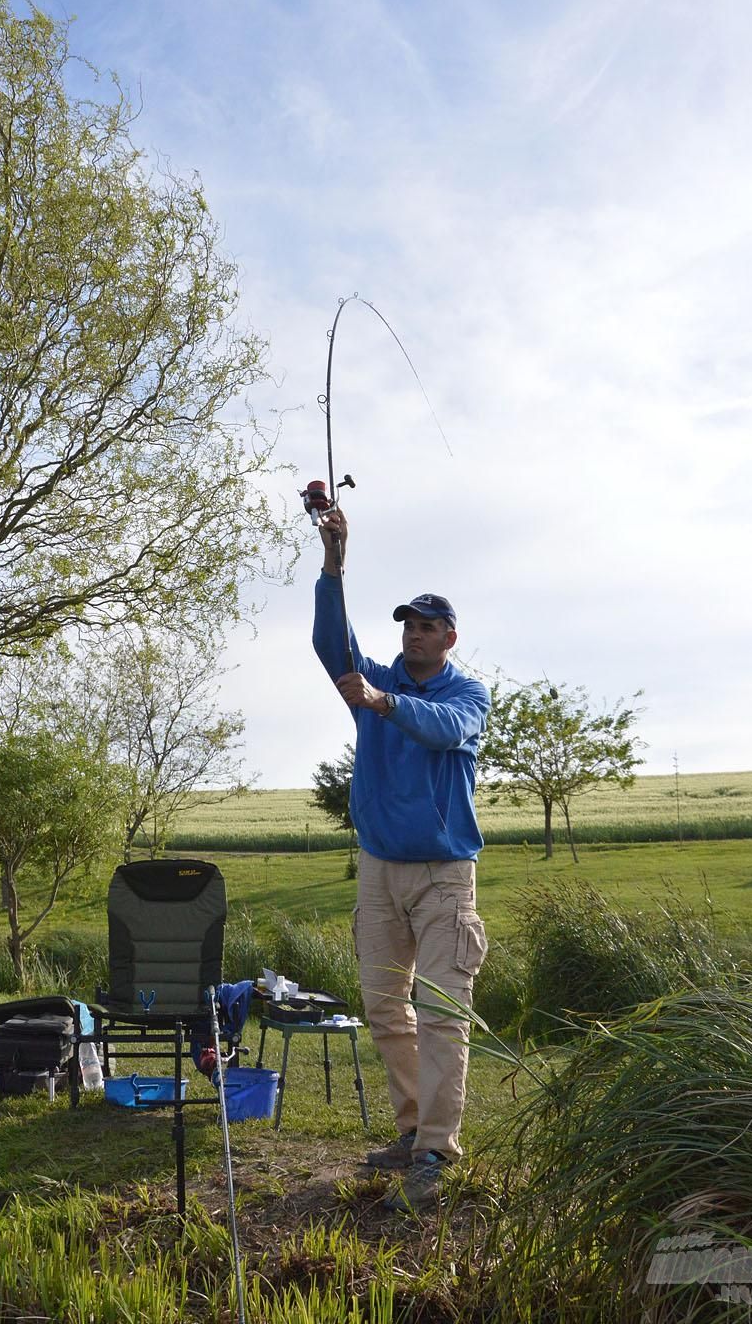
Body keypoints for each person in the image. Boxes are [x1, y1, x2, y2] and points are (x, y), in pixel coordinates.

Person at [312, 507, 490, 1211]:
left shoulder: (465, 694)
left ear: (449, 637)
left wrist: (385, 702)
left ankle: (439, 1152)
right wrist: (335, 566)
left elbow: (447, 730)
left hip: (445, 879)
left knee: (443, 1013)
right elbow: (334, 645)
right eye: (406, 625)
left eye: (426, 626)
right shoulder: (373, 681)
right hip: (379, 871)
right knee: (386, 1009)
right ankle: (413, 1132)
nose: (413, 634)